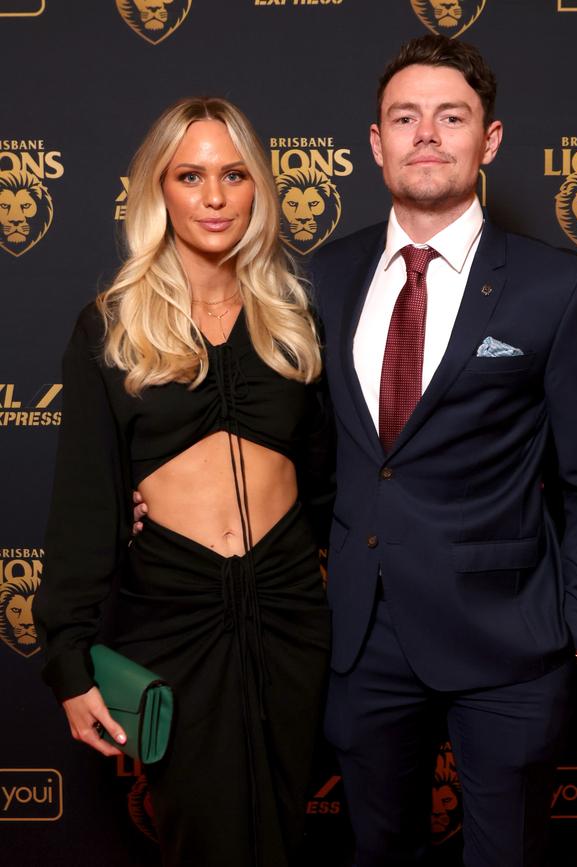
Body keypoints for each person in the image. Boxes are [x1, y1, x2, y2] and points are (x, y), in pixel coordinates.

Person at [309, 34, 577, 867]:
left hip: (511, 643)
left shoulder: (555, 288)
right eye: (405, 118)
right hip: (363, 639)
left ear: (488, 140)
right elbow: (302, 443)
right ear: (375, 144)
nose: (427, 134)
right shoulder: (321, 278)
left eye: (450, 117)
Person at [34, 97, 333, 867]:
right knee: (200, 841)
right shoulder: (111, 323)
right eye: (190, 175)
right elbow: (83, 506)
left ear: (258, 189)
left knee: (291, 835)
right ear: (157, 190)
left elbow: (334, 482)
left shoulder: (296, 317)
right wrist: (67, 659)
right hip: (173, 617)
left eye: (234, 175)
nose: (214, 196)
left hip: (291, 613)